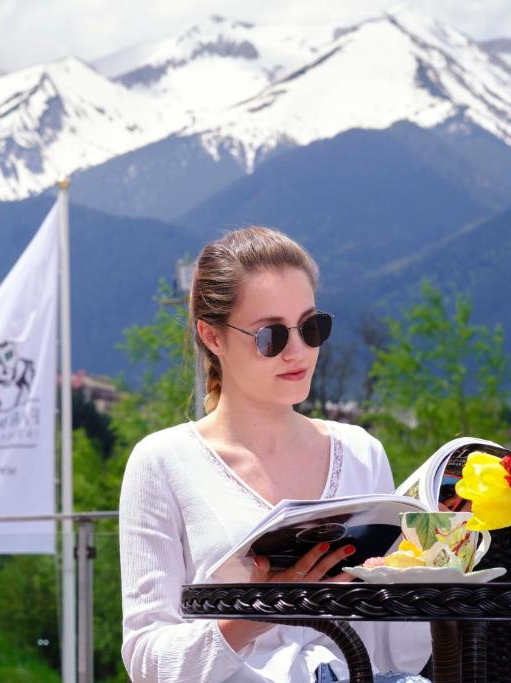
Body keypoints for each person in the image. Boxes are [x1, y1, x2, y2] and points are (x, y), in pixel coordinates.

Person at [119, 227, 431, 682]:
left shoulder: (361, 453)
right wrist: (257, 612)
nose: (299, 352)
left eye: (311, 328)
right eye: (272, 336)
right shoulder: (162, 462)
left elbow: (395, 655)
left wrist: (435, 557)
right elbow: (148, 662)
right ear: (212, 336)